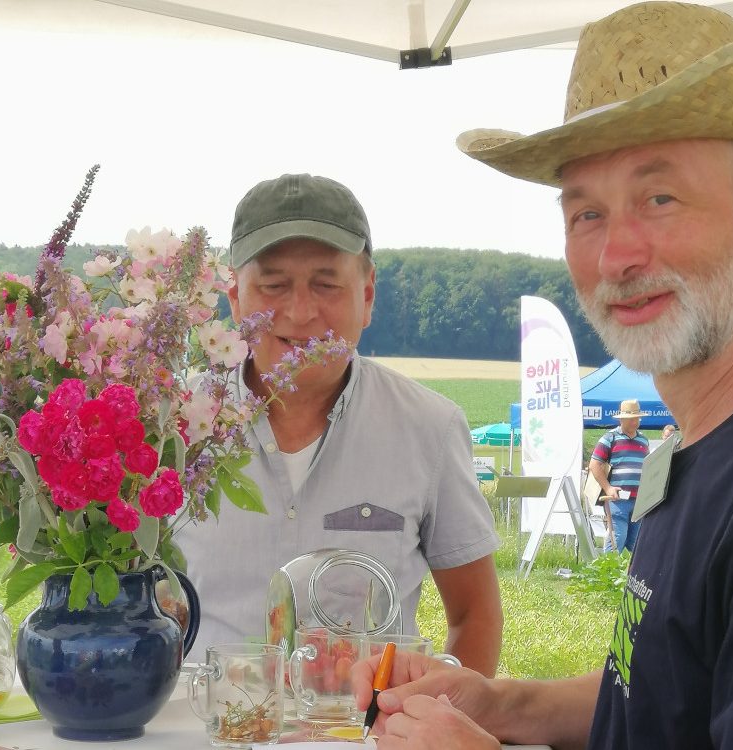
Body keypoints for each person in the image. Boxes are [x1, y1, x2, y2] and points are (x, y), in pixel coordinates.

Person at [352, 3, 733, 748]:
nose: (616, 256)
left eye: (659, 199)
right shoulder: (705, 446)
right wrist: (499, 705)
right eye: (586, 214)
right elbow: (660, 690)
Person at [182, 173, 503, 676]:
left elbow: (474, 613)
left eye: (326, 284)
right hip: (204, 718)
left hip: (368, 721)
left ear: (367, 295)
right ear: (236, 299)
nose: (300, 312)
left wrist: (445, 711)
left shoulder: (430, 428)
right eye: (274, 285)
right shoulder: (169, 427)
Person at [587, 399, 650, 552]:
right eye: (631, 419)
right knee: (617, 538)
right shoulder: (610, 438)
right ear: (621, 419)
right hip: (617, 499)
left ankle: (631, 569)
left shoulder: (643, 440)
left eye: (637, 418)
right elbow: (594, 465)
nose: (635, 422)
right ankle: (609, 567)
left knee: (637, 544)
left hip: (639, 500)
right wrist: (608, 488)